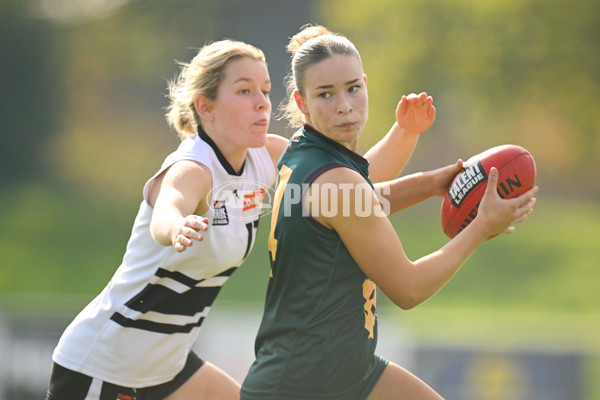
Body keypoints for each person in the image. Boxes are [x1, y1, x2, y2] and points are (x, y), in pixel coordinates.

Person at [45, 37, 446, 400]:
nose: (261, 103)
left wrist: (410, 143)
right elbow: (167, 210)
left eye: (266, 91)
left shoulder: (264, 155)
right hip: (104, 365)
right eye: (244, 91)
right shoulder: (193, 167)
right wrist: (177, 225)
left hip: (168, 367)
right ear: (205, 107)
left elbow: (350, 195)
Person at [240, 25, 538, 400]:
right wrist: (482, 226)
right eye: (326, 95)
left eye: (352, 88)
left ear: (366, 83)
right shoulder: (335, 179)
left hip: (347, 372)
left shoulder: (306, 154)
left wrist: (428, 178)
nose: (345, 105)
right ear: (302, 103)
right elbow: (408, 288)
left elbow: (361, 201)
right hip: (303, 386)